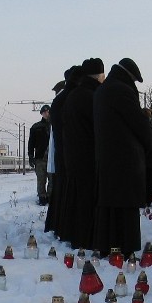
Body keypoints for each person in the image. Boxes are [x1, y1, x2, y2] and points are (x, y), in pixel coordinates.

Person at [92, 58, 152, 255]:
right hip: (125, 157)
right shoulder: (122, 90)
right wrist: (149, 135)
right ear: (129, 76)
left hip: (107, 156)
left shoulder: (103, 90)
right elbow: (136, 122)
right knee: (126, 205)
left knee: (109, 205)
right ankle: (125, 246)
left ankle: (107, 243)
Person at [61, 58, 104, 249]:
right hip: (88, 156)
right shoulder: (92, 96)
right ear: (98, 76)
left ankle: (75, 236)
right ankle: (85, 239)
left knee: (76, 199)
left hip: (73, 156)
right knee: (87, 202)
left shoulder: (73, 95)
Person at [46, 66, 83, 237]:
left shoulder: (60, 99)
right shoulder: (70, 98)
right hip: (69, 154)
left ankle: (56, 225)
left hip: (61, 154)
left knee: (60, 193)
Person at [27, 105, 51, 205]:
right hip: (40, 158)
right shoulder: (35, 127)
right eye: (44, 112)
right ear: (41, 113)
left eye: (48, 112)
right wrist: (31, 156)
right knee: (41, 179)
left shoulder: (55, 126)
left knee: (52, 179)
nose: (46, 113)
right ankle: (42, 197)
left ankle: (50, 197)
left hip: (52, 158)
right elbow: (31, 143)